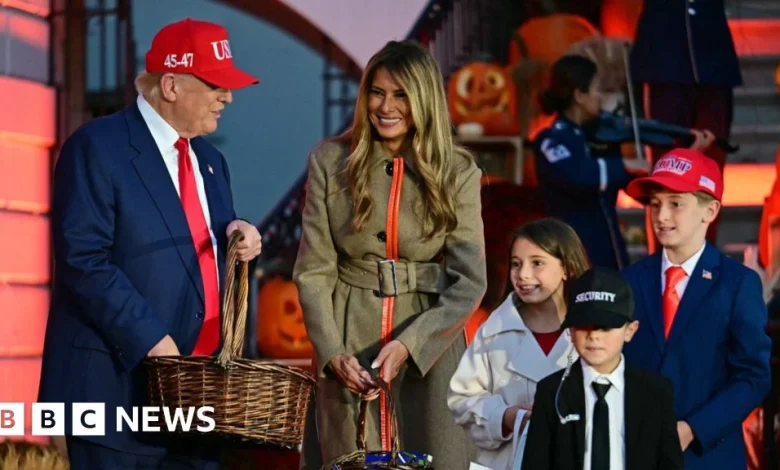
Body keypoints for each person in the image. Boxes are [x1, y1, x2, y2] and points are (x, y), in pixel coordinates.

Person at [37, 18, 262, 469]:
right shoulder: (96, 147)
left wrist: (241, 237)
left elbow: (195, 255)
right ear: (172, 85)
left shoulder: (211, 161)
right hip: (112, 397)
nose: (228, 97)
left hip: (194, 408)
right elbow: (84, 260)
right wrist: (153, 340)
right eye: (216, 84)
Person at [293, 40, 487, 469]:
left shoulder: (457, 171)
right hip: (348, 339)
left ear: (424, 99)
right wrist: (332, 352)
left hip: (429, 352)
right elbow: (313, 271)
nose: (386, 106)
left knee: (435, 453)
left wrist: (411, 344)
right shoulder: (329, 161)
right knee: (350, 456)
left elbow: (470, 280)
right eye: (377, 92)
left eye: (401, 94)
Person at [621, 148, 772, 470]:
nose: (661, 216)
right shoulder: (629, 281)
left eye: (676, 204)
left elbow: (753, 377)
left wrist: (693, 429)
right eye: (655, 203)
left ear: (711, 210)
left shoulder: (737, 284)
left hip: (709, 457)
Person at [533, 55, 714, 270]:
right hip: (571, 255)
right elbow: (578, 176)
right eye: (598, 89)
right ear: (579, 95)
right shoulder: (552, 140)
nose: (602, 98)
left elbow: (643, 193)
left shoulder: (601, 139)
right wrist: (625, 164)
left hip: (611, 254)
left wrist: (686, 158)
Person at [448, 218, 589, 470]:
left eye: (537, 263)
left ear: (566, 267)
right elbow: (462, 400)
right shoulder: (493, 330)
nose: (523, 274)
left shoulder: (593, 330)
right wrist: (505, 417)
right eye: (516, 264)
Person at [522, 267, 683, 470]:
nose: (594, 336)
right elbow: (536, 463)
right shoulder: (552, 390)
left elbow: (670, 463)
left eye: (605, 327)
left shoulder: (655, 391)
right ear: (570, 331)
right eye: (583, 326)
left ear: (630, 330)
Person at [631, 0, 740, 245]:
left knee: (708, 169)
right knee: (666, 168)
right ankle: (665, 264)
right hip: (664, 59)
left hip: (713, 59)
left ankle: (703, 258)